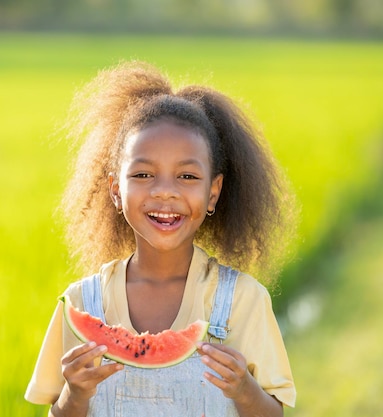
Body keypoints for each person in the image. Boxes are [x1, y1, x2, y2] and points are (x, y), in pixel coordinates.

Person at [25, 61, 297, 417]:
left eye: (186, 176)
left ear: (213, 192)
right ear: (115, 189)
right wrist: (74, 395)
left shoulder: (242, 301)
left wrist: (245, 391)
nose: (165, 192)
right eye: (143, 173)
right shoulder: (83, 303)